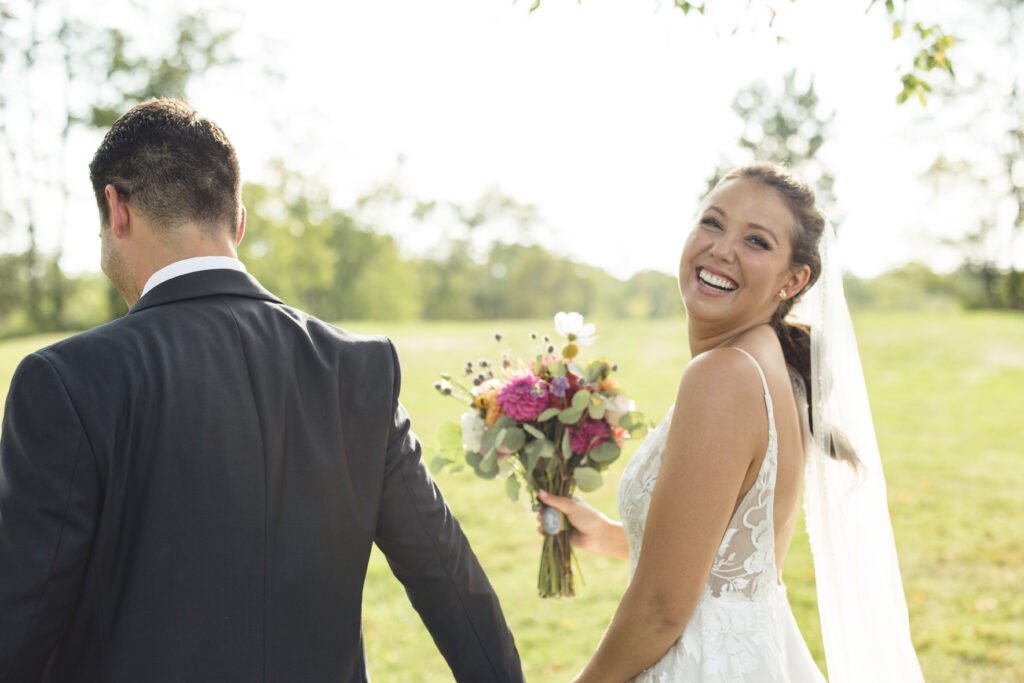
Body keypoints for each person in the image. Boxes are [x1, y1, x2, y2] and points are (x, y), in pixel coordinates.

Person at [0, 99, 524, 683]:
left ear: (114, 208)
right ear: (239, 221)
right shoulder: (359, 370)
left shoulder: (66, 380)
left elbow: (18, 622)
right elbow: (451, 584)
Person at [540, 163, 924, 682]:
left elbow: (661, 608)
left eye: (757, 241)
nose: (722, 249)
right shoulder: (767, 363)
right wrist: (611, 536)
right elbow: (725, 556)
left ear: (793, 280)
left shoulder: (723, 376)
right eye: (713, 223)